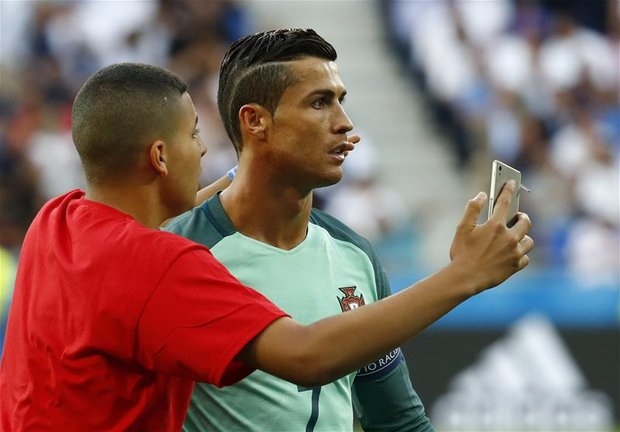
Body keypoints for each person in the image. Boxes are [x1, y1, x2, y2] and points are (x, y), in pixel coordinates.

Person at [0, 62, 533, 432]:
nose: (203, 148)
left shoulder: (54, 222)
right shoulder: (162, 267)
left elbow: (143, 223)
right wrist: (464, 275)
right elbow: (307, 355)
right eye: (193, 134)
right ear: (160, 157)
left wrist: (252, 174)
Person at [163, 28, 531, 432]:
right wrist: (464, 275)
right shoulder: (181, 252)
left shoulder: (354, 253)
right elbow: (308, 357)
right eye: (320, 103)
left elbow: (397, 421)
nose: (345, 123)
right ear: (255, 121)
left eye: (341, 101)